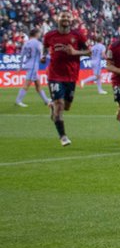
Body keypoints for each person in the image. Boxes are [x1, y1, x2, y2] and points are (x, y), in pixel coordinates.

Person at [43, 13, 89, 147]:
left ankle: (52, 106)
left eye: (68, 17)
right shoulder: (50, 35)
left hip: (71, 76)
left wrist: (75, 53)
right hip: (54, 75)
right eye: (63, 17)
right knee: (60, 104)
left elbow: (88, 52)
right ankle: (63, 136)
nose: (65, 19)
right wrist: (43, 55)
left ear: (71, 20)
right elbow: (45, 47)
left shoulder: (77, 36)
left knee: (67, 106)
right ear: (58, 19)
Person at [14, 31, 49, 108]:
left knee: (38, 85)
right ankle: (18, 101)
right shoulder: (38, 43)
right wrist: (44, 59)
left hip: (28, 65)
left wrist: (20, 67)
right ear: (36, 34)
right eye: (39, 33)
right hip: (33, 66)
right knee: (27, 84)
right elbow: (41, 55)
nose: (39, 34)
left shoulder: (26, 43)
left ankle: (46, 100)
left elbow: (22, 56)